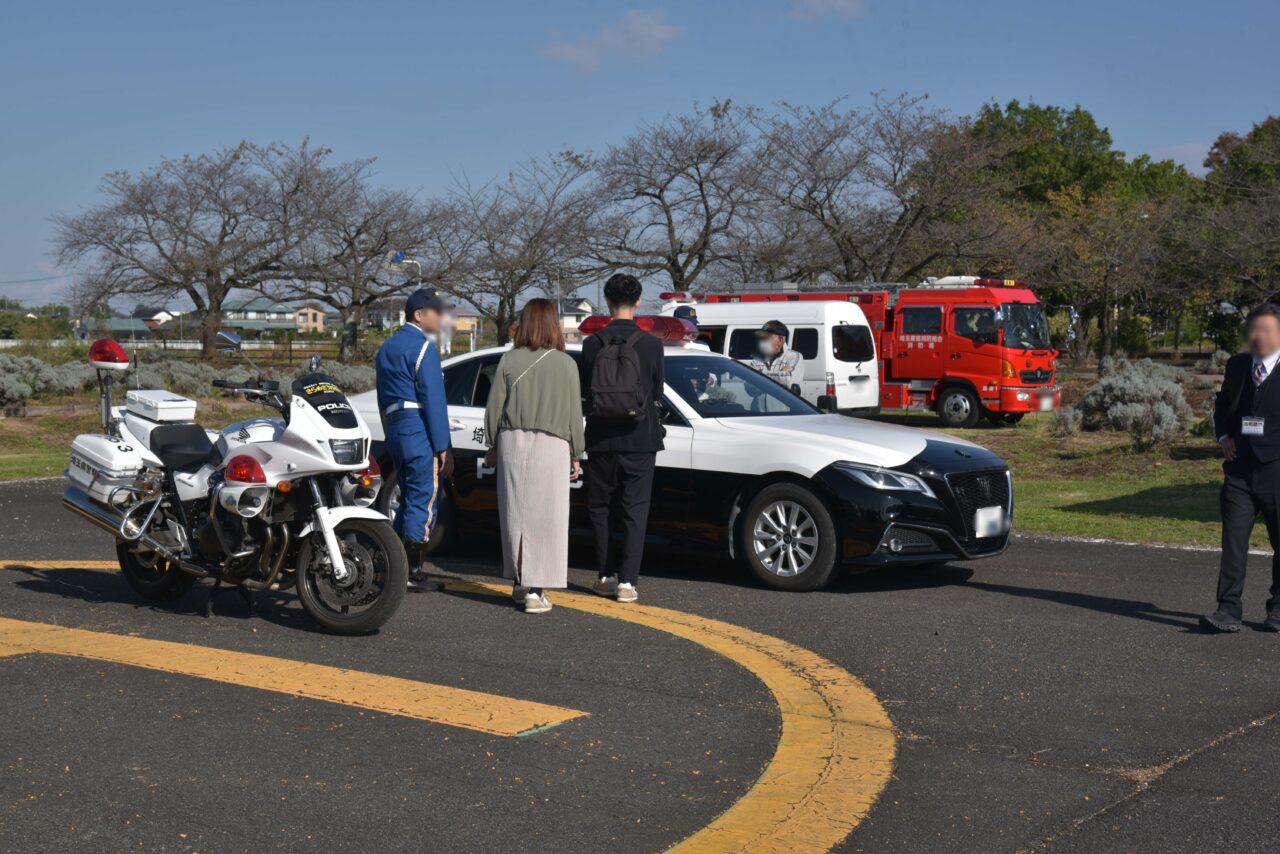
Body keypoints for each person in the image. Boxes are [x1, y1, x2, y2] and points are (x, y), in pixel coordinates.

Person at [482, 299, 584, 614]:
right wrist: (576, 453)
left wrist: (491, 444)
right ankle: (535, 590)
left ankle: (519, 582)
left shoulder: (509, 360)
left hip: (512, 440)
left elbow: (494, 407)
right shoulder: (566, 364)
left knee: (515, 512)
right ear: (554, 324)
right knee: (547, 518)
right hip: (552, 445)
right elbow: (573, 413)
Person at [580, 273, 664, 603]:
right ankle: (628, 582)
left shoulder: (591, 344)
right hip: (640, 437)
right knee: (635, 509)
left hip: (600, 437)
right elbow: (655, 393)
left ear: (608, 302)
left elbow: (587, 392)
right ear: (638, 301)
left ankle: (604, 574)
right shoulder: (652, 345)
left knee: (600, 507)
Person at [1204, 303, 1280, 633]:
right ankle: (1228, 609)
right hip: (1239, 469)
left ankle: (1277, 609)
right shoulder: (1237, 366)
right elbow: (1222, 408)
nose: (1257, 336)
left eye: (1265, 330)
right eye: (1253, 329)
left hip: (1276, 469)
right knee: (1233, 541)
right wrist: (1223, 435)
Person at [374, 288, 455, 592]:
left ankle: (390, 567)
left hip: (395, 429)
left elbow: (382, 397)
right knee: (423, 500)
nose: (441, 316)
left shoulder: (387, 348)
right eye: (436, 311)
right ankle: (411, 572)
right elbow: (433, 400)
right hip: (419, 429)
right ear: (419, 315)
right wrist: (443, 446)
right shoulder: (423, 348)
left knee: (407, 499)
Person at [749, 320, 803, 386]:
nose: (762, 342)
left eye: (766, 338)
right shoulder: (757, 359)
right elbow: (749, 386)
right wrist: (780, 374)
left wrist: (760, 374)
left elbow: (789, 381)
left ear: (780, 340)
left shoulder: (794, 356)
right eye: (761, 338)